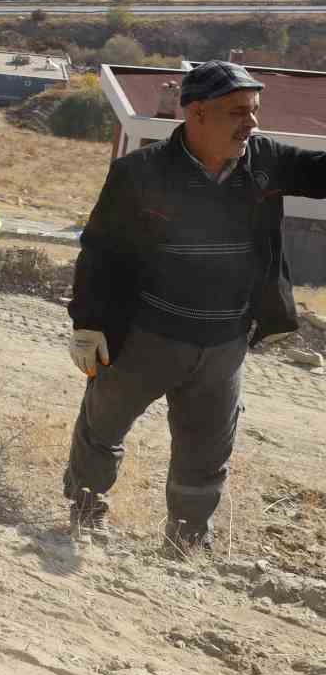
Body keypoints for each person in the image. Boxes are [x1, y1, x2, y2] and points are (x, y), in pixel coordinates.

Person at [63, 60, 326, 552]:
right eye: (238, 112)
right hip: (146, 337)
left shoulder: (263, 160)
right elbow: (102, 250)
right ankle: (83, 516)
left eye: (254, 111)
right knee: (102, 430)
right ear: (198, 113)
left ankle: (185, 543)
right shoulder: (140, 172)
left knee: (206, 453)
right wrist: (89, 324)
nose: (252, 124)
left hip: (224, 344)